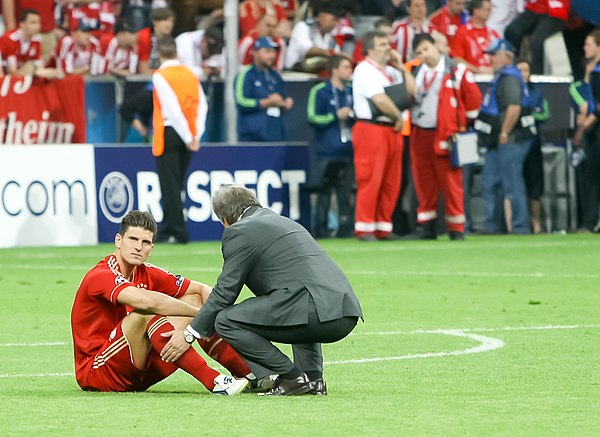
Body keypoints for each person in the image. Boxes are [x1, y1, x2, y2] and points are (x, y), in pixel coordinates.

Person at [160, 184, 364, 396]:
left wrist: (189, 335)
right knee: (298, 310)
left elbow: (225, 292)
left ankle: (291, 376)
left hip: (312, 308)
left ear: (224, 219)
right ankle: (312, 379)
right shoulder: (283, 221)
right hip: (345, 310)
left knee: (226, 320)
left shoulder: (239, 231)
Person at [71, 210, 250, 395]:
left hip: (140, 371)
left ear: (151, 248)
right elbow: (147, 302)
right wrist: (201, 317)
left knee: (195, 299)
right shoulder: (100, 275)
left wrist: (227, 316)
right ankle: (216, 382)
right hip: (98, 372)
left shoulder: (147, 272)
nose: (138, 247)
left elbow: (202, 290)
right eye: (132, 239)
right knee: (144, 314)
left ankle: (248, 373)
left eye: (145, 242)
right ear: (118, 240)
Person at [409, 33, 482, 240]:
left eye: (426, 48)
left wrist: (461, 124)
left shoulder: (456, 70)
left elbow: (474, 99)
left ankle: (456, 228)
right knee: (424, 183)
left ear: (435, 46)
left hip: (448, 135)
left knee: (452, 182)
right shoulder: (415, 72)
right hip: (421, 132)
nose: (423, 54)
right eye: (419, 52)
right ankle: (427, 226)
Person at [352, 30, 416, 241]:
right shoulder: (364, 69)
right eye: (382, 44)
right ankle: (365, 226)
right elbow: (379, 100)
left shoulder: (392, 71)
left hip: (392, 129)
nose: (388, 47)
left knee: (391, 180)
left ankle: (382, 226)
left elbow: (412, 92)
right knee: (371, 177)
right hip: (372, 127)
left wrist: (402, 67)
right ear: (369, 48)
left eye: (388, 43)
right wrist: (399, 117)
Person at [475, 39, 537, 234]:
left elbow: (514, 107)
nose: (491, 59)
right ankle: (493, 227)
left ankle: (520, 227)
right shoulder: (503, 76)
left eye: (495, 55)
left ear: (506, 56)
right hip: (498, 140)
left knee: (512, 184)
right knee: (490, 182)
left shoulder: (510, 77)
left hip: (511, 139)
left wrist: (504, 131)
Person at [152, 36, 208, 244]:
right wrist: (196, 135)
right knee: (177, 182)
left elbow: (172, 109)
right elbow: (202, 105)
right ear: (176, 52)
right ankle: (167, 228)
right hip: (190, 132)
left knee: (170, 183)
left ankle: (178, 230)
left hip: (171, 131)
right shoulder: (190, 74)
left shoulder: (160, 76)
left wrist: (186, 136)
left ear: (159, 54)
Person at [307, 55, 355, 238]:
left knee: (345, 193)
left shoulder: (352, 90)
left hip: (348, 150)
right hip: (327, 151)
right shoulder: (320, 91)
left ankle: (345, 229)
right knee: (324, 193)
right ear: (334, 69)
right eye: (345, 67)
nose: (349, 70)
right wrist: (334, 116)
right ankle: (321, 231)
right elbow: (312, 117)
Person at [235, 36, 293, 142]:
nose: (272, 55)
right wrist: (268, 102)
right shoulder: (246, 74)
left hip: (275, 133)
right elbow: (241, 101)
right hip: (252, 136)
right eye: (267, 51)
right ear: (255, 52)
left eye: (273, 52)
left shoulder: (275, 75)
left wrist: (285, 102)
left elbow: (282, 97)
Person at [571, 29, 600, 232]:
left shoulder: (598, 72)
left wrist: (587, 123)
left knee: (592, 177)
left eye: (589, 44)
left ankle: (589, 222)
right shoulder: (593, 73)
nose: (584, 47)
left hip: (597, 130)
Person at [516, 58, 550, 234]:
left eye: (526, 70)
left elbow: (544, 113)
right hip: (515, 144)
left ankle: (536, 225)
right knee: (516, 184)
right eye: (520, 70)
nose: (523, 74)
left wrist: (527, 116)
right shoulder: (512, 89)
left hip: (533, 144)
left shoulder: (536, 91)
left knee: (535, 186)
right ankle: (517, 225)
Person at [504, 0, 569, 75]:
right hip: (537, 7)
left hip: (556, 10)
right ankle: (514, 68)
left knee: (537, 40)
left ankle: (537, 76)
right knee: (512, 31)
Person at [0, 8, 62, 78]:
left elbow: (38, 65)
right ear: (22, 24)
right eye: (33, 23)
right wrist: (36, 72)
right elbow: (12, 72)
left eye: (38, 23)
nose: (37, 26)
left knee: (54, 74)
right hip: (5, 75)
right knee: (31, 68)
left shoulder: (37, 39)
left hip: (21, 75)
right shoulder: (10, 40)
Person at [284, 5, 342, 73]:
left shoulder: (331, 36)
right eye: (334, 19)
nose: (335, 23)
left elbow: (336, 55)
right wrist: (327, 53)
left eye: (337, 20)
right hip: (295, 72)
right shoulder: (303, 26)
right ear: (322, 16)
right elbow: (307, 50)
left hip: (317, 75)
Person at [450, 0, 499, 75]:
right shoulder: (462, 32)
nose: (490, 13)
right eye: (487, 10)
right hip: (470, 78)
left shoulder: (493, 34)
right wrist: (477, 70)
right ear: (476, 10)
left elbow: (503, 57)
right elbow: (456, 59)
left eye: (490, 10)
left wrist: (495, 69)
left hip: (492, 78)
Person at [391, 0, 437, 64]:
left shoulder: (432, 29)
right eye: (417, 6)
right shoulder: (399, 27)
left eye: (423, 5)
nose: (421, 9)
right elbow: (391, 49)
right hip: (402, 67)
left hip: (425, 68)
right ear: (408, 9)